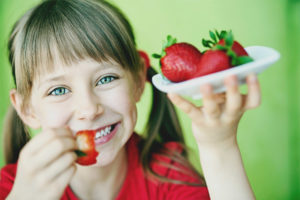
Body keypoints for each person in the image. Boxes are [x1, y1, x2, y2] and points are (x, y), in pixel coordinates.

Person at [0, 0, 261, 199]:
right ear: (26, 108)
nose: (89, 109)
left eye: (105, 79)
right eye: (58, 90)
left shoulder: (170, 178)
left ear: (137, 81)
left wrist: (219, 147)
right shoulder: (11, 189)